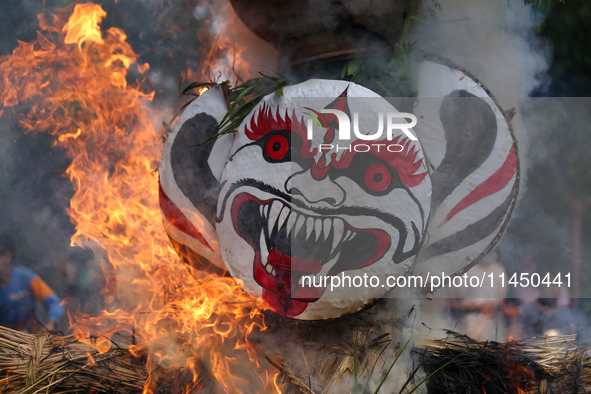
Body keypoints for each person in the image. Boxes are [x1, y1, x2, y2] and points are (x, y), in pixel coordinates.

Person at [0, 233, 65, 331]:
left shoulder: (26, 277)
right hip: (8, 343)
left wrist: (51, 323)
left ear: (8, 256)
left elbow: (54, 302)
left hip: (36, 339)